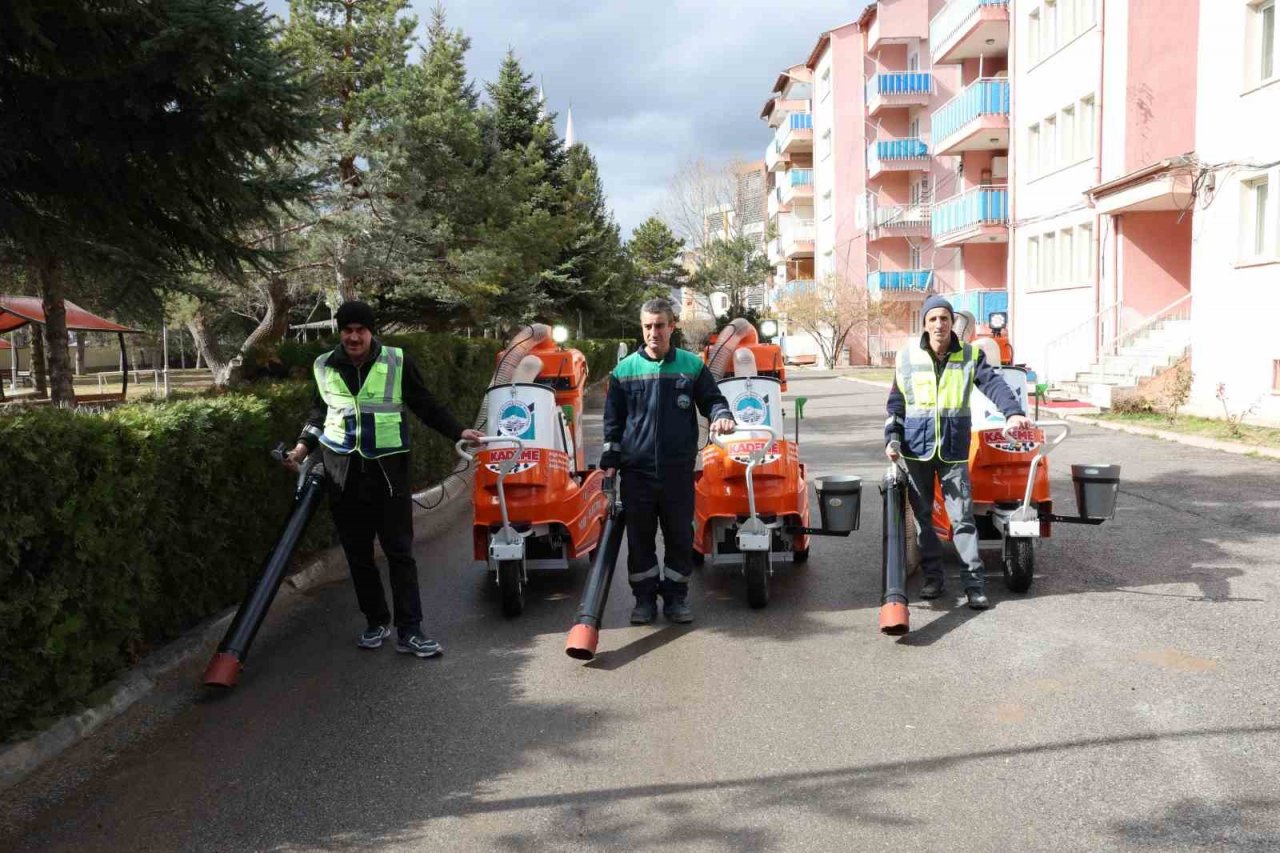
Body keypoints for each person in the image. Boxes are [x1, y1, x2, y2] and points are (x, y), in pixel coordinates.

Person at [283, 300, 483, 657]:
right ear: (340, 332)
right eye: (347, 331)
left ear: (371, 331)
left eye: (360, 330)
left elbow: (424, 404)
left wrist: (458, 431)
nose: (353, 337)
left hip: (388, 472)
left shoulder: (396, 361)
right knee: (357, 554)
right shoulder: (324, 365)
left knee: (399, 552)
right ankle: (376, 621)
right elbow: (319, 413)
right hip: (342, 472)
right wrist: (300, 449)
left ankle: (411, 630)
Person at [885, 295, 1032, 610]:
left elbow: (993, 384)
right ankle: (934, 580)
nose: (939, 324)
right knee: (923, 520)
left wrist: (1013, 412)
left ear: (953, 322)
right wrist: (892, 438)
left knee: (963, 519)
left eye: (944, 318)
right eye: (933, 319)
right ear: (925, 324)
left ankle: (974, 586)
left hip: (953, 451)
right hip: (916, 450)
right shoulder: (907, 357)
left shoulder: (970, 355)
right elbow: (897, 403)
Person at [600, 297, 736, 625]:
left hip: (677, 471)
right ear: (642, 328)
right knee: (639, 540)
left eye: (660, 325)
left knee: (679, 536)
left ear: (672, 326)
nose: (653, 333)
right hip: (637, 473)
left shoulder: (691, 366)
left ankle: (675, 598)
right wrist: (610, 460)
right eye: (648, 326)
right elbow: (613, 423)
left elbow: (713, 399)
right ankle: (645, 600)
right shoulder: (624, 371)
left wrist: (722, 414)